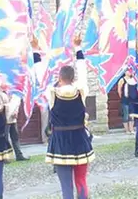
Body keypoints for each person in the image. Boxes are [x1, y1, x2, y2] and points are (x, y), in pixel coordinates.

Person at [42, 41, 94, 199]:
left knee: (66, 186)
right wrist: (78, 48)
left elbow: (41, 78)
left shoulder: (52, 93)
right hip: (79, 139)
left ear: (60, 77)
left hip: (60, 141)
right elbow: (83, 73)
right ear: (73, 78)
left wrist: (37, 51)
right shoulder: (81, 90)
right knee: (81, 181)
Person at [4, 93, 29, 162]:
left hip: (12, 119)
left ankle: (19, 155)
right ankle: (5, 156)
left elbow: (16, 104)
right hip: (4, 119)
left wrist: (16, 112)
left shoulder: (15, 95)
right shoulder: (2, 94)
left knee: (15, 137)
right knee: (4, 138)